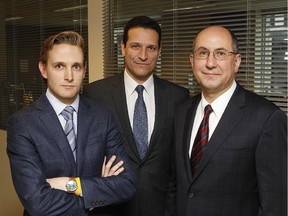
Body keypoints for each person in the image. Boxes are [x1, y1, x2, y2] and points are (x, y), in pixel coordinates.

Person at [6, 31, 136, 216]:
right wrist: (95, 196)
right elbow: (37, 202)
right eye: (59, 66)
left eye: (76, 66)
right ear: (43, 69)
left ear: (84, 70)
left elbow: (126, 185)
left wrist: (71, 184)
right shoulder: (22, 124)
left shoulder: (103, 117)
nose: (69, 76)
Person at [174, 25, 287, 216]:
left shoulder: (267, 118)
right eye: (203, 53)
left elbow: (275, 206)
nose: (210, 63)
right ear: (192, 61)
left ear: (236, 61)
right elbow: (175, 185)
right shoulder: (182, 111)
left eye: (220, 53)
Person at [83, 16, 190, 216]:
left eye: (151, 47)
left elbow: (179, 164)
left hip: (160, 208)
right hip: (111, 207)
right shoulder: (95, 94)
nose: (143, 55)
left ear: (159, 51)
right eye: (135, 46)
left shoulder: (178, 97)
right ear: (123, 48)